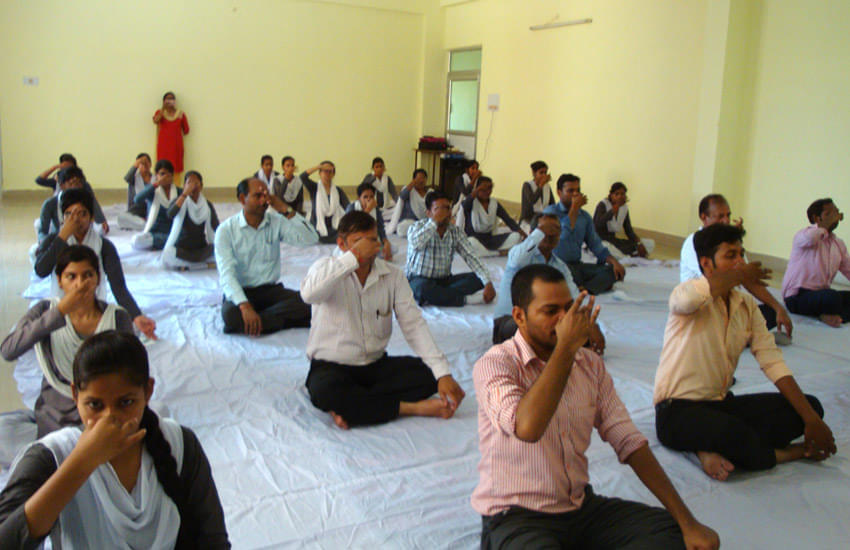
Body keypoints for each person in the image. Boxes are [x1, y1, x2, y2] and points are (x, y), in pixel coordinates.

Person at [473, 264, 720, 550]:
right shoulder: (496, 364)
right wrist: (566, 348)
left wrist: (688, 523)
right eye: (551, 311)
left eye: (569, 308)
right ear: (519, 316)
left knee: (671, 533)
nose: (564, 319)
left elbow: (628, 440)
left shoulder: (589, 365)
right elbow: (527, 427)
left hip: (579, 508)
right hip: (516, 516)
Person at [0, 331, 230, 548]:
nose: (109, 419)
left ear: (148, 391)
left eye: (126, 403)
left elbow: (213, 540)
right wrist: (82, 462)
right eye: (95, 405)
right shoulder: (54, 455)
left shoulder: (179, 443)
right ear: (74, 395)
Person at [654, 224, 835, 481]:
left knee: (811, 407)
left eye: (742, 254)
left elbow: (772, 362)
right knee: (735, 434)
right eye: (731, 256)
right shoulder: (687, 292)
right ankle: (792, 453)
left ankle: (710, 444)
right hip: (676, 412)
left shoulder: (746, 305)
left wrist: (811, 419)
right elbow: (685, 302)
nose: (740, 262)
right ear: (706, 264)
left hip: (719, 406)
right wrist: (740, 276)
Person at [301, 211, 466, 429]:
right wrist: (352, 258)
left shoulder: (392, 276)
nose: (368, 247)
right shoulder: (326, 268)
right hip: (332, 367)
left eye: (372, 240)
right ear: (341, 244)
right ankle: (410, 408)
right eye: (358, 242)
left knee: (427, 375)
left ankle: (354, 408)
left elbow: (414, 325)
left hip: (374, 365)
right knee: (325, 391)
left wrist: (442, 373)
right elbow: (309, 294)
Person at [2, 245, 134, 437]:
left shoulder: (116, 318)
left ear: (97, 279)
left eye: (87, 275)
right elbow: (8, 350)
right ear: (60, 281)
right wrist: (60, 312)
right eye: (71, 277)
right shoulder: (45, 311)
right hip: (54, 417)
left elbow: (131, 371)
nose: (80, 284)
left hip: (102, 416)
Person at [34, 189, 158, 339]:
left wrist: (136, 315)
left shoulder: (103, 246)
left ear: (92, 217)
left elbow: (118, 287)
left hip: (92, 311)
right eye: (69, 214)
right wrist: (62, 236)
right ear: (62, 217)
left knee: (128, 332)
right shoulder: (54, 241)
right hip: (62, 310)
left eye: (82, 213)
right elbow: (41, 271)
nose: (76, 219)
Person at [214, 178, 319, 335]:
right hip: (242, 292)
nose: (264, 200)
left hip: (270, 291)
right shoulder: (226, 230)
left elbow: (311, 238)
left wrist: (285, 209)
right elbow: (227, 274)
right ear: (243, 199)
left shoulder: (276, 222)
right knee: (231, 315)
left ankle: (256, 324)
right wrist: (245, 306)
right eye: (258, 196)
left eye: (266, 195)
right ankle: (280, 321)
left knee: (311, 305)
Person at [680, 193, 792, 337]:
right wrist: (741, 274)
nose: (726, 220)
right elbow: (714, 284)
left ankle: (733, 335)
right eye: (720, 216)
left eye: (728, 215)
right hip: (701, 310)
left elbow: (747, 279)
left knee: (769, 312)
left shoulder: (729, 242)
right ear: (703, 217)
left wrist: (778, 308)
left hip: (724, 310)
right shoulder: (694, 243)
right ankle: (732, 336)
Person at [492, 214, 604, 355]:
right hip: (510, 322)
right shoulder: (520, 255)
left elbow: (574, 298)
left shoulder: (560, 266)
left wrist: (590, 324)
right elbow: (517, 260)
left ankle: (563, 346)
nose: (551, 233)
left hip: (548, 322)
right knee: (542, 329)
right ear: (534, 233)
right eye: (546, 229)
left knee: (578, 328)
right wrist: (540, 232)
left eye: (556, 229)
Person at [405, 191, 495, 307]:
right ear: (428, 213)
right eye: (438, 209)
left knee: (477, 279)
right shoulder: (416, 227)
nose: (445, 213)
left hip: (445, 280)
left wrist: (487, 282)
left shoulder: (455, 231)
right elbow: (416, 243)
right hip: (418, 278)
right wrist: (435, 223)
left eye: (447, 208)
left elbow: (471, 257)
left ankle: (439, 296)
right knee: (422, 289)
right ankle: (464, 300)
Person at [543, 174, 626, 295]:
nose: (576, 194)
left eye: (578, 191)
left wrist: (614, 262)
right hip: (556, 265)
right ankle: (585, 285)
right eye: (570, 191)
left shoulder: (585, 217)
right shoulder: (550, 212)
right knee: (561, 274)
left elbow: (595, 244)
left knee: (612, 271)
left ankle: (584, 288)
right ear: (559, 193)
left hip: (576, 266)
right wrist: (574, 210)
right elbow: (562, 235)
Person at [782, 198, 850, 327]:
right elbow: (810, 238)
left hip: (820, 295)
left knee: (835, 297)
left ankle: (833, 316)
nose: (835, 216)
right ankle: (828, 313)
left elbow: (848, 269)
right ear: (817, 218)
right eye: (829, 214)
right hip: (797, 297)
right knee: (832, 297)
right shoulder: (804, 235)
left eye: (837, 212)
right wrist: (825, 225)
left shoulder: (838, 244)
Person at [162, 171, 220, 270]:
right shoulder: (179, 201)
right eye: (189, 183)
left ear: (201, 186)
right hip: (182, 249)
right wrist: (184, 195)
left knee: (221, 249)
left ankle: (188, 266)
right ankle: (203, 266)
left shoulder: (207, 205)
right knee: (168, 254)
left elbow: (216, 227)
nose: (193, 186)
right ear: (184, 186)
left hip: (200, 248)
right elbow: (170, 214)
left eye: (196, 183)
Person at [458, 176, 526, 257]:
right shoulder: (471, 202)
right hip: (474, 239)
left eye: (490, 188)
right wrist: (476, 190)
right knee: (470, 242)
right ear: (477, 189)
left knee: (516, 236)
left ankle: (486, 252)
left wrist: (523, 234)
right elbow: (464, 205)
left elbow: (508, 220)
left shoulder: (494, 203)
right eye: (483, 189)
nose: (487, 192)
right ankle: (497, 253)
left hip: (490, 240)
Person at [36, 167, 108, 243]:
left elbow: (100, 221)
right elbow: (42, 232)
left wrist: (102, 225)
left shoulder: (88, 199)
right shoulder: (50, 204)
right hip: (60, 239)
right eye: (71, 184)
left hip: (84, 239)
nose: (75, 187)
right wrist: (43, 242)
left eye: (78, 183)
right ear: (61, 186)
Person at [593, 182, 655, 258]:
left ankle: (626, 256)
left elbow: (629, 230)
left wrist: (639, 244)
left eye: (622, 194)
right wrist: (612, 211)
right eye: (617, 194)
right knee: (607, 248)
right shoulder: (603, 205)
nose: (620, 197)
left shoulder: (624, 208)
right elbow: (597, 224)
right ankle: (627, 257)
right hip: (599, 241)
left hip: (614, 241)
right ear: (611, 195)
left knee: (649, 243)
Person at [131, 159, 181, 251]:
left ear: (172, 176)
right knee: (136, 241)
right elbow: (137, 199)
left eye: (168, 174)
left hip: (173, 232)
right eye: (162, 174)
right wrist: (156, 184)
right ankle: (167, 243)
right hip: (155, 233)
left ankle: (168, 243)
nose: (165, 177)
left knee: (184, 239)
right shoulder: (153, 191)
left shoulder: (179, 192)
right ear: (156, 176)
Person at [300, 161, 350, 243]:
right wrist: (318, 167)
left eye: (330, 171)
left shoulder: (337, 191)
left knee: (345, 236)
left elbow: (348, 207)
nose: (327, 173)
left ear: (333, 174)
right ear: (320, 173)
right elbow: (302, 177)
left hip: (334, 228)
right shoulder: (314, 188)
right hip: (317, 228)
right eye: (325, 171)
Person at [345, 182, 392, 261]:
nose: (369, 199)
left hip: (371, 240)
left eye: (371, 196)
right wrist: (368, 210)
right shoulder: (352, 207)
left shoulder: (376, 209)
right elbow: (351, 227)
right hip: (356, 242)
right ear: (359, 198)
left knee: (391, 249)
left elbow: (380, 228)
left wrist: (386, 242)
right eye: (365, 197)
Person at [153, 91, 189, 175]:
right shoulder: (159, 112)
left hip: (176, 146)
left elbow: (186, 130)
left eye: (172, 99)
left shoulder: (181, 114)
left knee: (176, 168)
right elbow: (155, 121)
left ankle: (176, 187)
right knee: (162, 167)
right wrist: (163, 108)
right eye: (168, 99)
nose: (170, 101)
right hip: (163, 146)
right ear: (164, 101)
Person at [386, 168, 430, 237]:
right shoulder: (409, 190)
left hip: (424, 221)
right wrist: (411, 184)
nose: (421, 181)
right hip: (409, 222)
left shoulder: (430, 192)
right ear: (414, 180)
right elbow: (402, 196)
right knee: (402, 228)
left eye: (423, 178)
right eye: (419, 179)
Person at [117, 153, 154, 231]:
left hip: (151, 209)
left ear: (150, 164)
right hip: (136, 210)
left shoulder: (155, 179)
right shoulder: (134, 178)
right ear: (137, 165)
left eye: (147, 163)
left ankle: (147, 224)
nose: (145, 165)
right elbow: (127, 178)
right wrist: (138, 162)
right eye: (142, 163)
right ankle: (145, 224)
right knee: (120, 218)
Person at [519, 160, 555, 232]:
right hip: (529, 220)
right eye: (541, 173)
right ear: (534, 173)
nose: (544, 175)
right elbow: (532, 201)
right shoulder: (527, 185)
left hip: (543, 218)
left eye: (545, 172)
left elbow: (552, 204)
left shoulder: (547, 187)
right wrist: (541, 186)